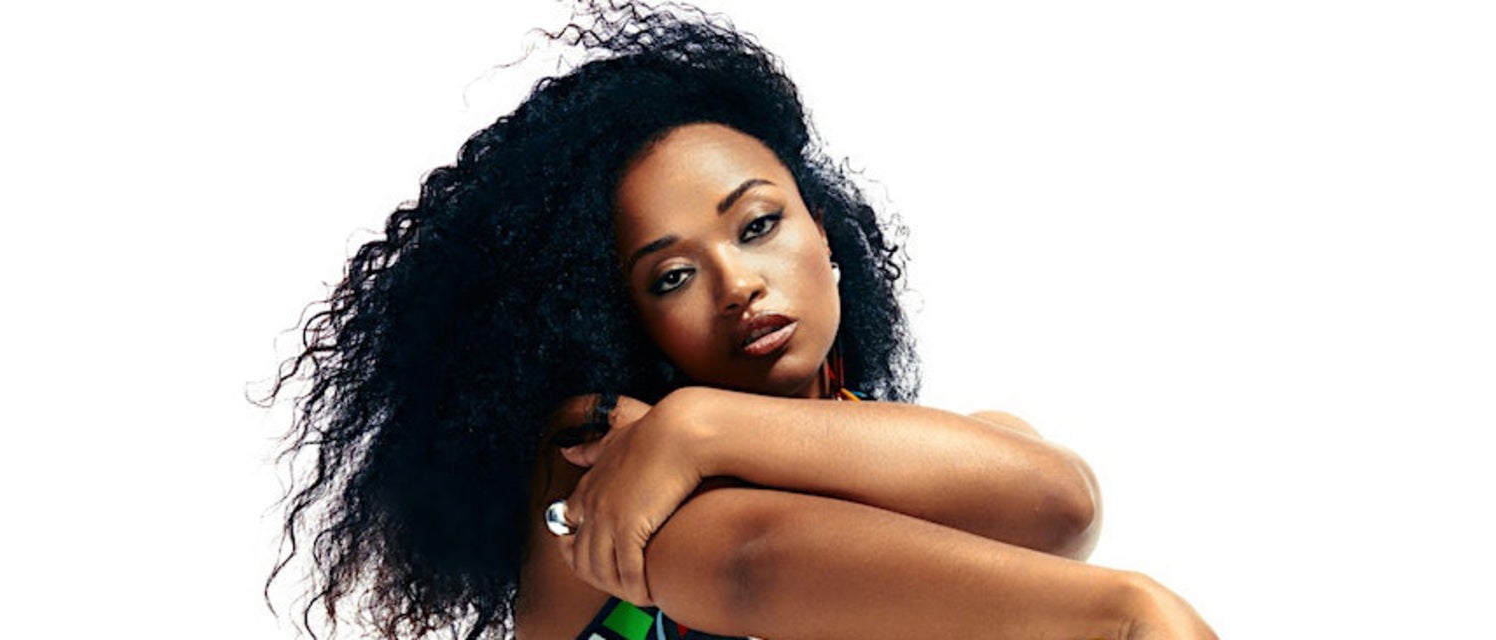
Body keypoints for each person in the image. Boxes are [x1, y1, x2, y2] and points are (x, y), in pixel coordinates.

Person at [266, 2, 1215, 639]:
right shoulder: (593, 449)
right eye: (672, 275)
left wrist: (703, 425)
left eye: (758, 226)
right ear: (621, 314)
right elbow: (749, 565)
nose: (737, 286)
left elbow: (1060, 503)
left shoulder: (925, 455)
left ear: (826, 235)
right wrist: (1121, 616)